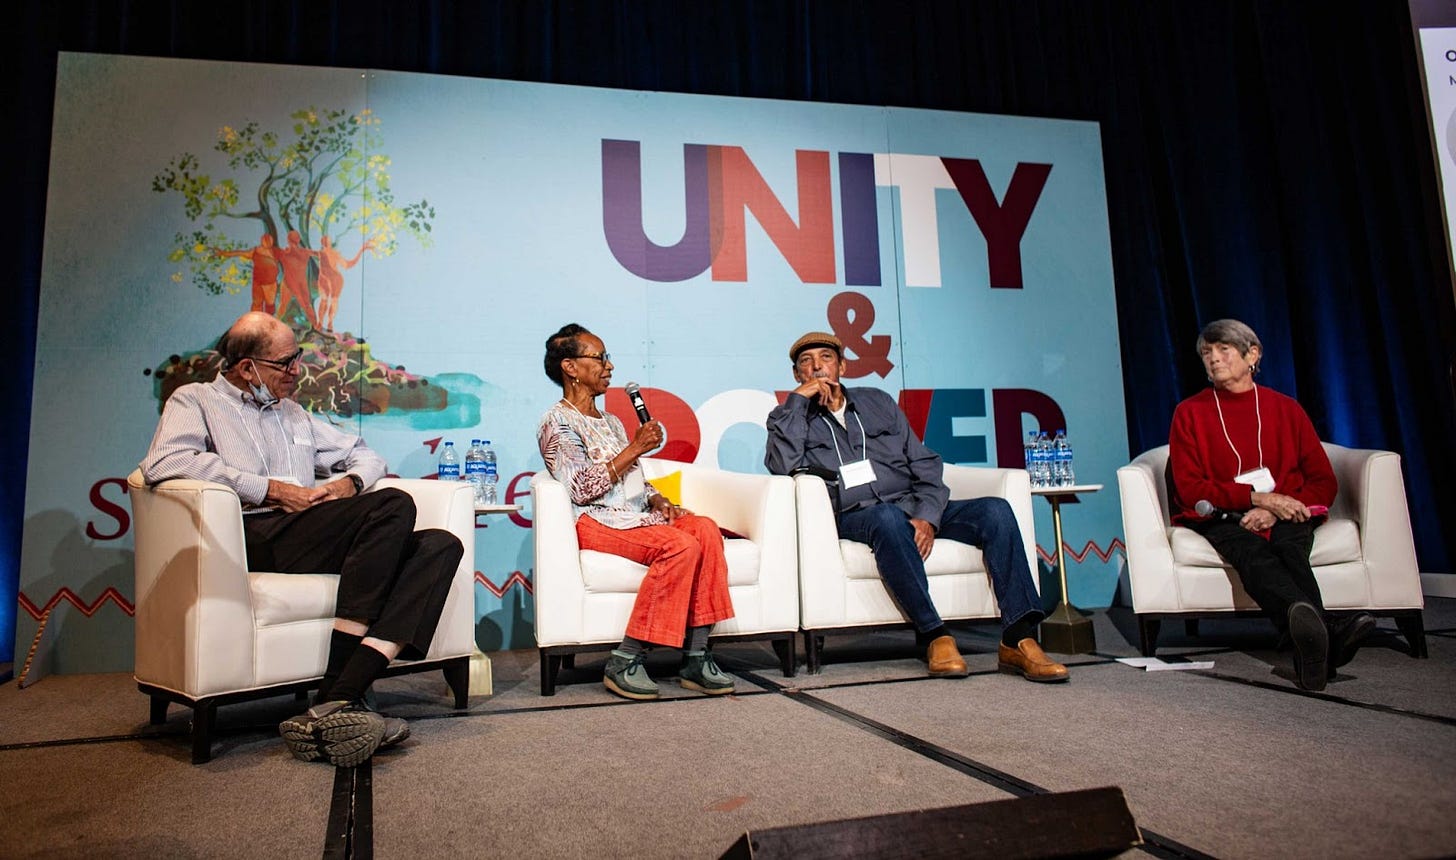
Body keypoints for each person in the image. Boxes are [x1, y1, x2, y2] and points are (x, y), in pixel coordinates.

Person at [140, 311, 463, 765]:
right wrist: (269, 488)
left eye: (298, 359)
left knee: (440, 545)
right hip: (251, 531)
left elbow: (365, 455)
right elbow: (166, 462)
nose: (297, 371)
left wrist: (345, 485)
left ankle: (335, 700)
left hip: (307, 530)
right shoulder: (195, 401)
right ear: (246, 367)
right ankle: (340, 692)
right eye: (285, 363)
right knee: (394, 505)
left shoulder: (293, 414)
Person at [765, 331, 1068, 683]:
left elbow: (924, 462)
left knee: (995, 510)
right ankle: (934, 634)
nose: (817, 367)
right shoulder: (786, 417)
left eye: (826, 358)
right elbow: (781, 467)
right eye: (806, 362)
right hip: (853, 515)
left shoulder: (877, 401)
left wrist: (927, 517)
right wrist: (798, 403)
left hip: (910, 503)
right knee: (886, 516)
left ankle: (1019, 638)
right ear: (796, 375)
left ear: (842, 366)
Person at [1169, 318, 1374, 691]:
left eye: (1223, 350)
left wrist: (1276, 507)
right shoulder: (1189, 412)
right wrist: (1255, 499)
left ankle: (1311, 649)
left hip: (1287, 510)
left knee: (1290, 547)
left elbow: (1323, 481)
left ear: (1253, 355)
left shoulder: (1286, 408)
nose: (1213, 359)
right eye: (1206, 352)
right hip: (1224, 515)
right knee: (1253, 555)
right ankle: (1326, 634)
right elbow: (1189, 487)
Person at [536, 323, 736, 701]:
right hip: (596, 520)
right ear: (571, 367)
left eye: (608, 357)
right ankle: (625, 658)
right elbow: (579, 489)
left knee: (706, 528)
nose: (609, 366)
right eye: (600, 357)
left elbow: (630, 480)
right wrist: (635, 447)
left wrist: (657, 498)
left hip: (634, 515)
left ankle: (694, 656)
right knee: (679, 546)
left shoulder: (610, 421)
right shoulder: (556, 422)